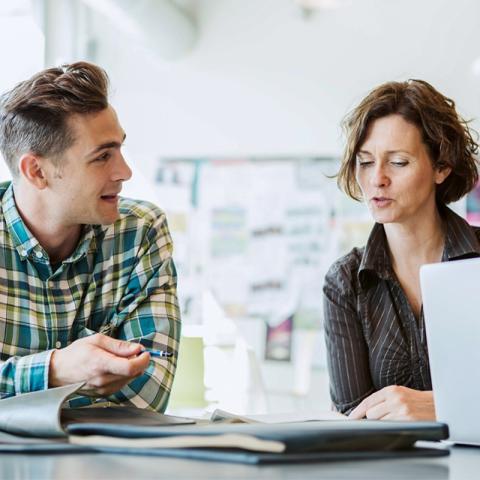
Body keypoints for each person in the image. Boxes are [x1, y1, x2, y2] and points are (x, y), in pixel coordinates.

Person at [0, 62, 181, 411]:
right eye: (102, 157)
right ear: (37, 171)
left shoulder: (140, 232)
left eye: (120, 149)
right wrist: (53, 371)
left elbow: (147, 395)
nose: (124, 172)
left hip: (105, 465)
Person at [323, 79, 479, 421]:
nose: (377, 179)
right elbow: (355, 419)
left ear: (441, 167)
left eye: (398, 162)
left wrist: (442, 408)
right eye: (365, 162)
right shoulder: (344, 282)